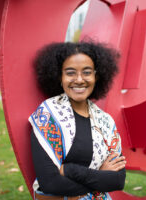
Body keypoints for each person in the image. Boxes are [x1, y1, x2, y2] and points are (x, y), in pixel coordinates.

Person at [29, 41, 126, 200]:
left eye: (87, 72)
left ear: (96, 76)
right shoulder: (47, 115)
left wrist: (70, 170)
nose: (79, 79)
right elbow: (49, 182)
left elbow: (117, 180)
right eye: (70, 72)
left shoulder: (105, 122)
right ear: (60, 76)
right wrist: (99, 177)